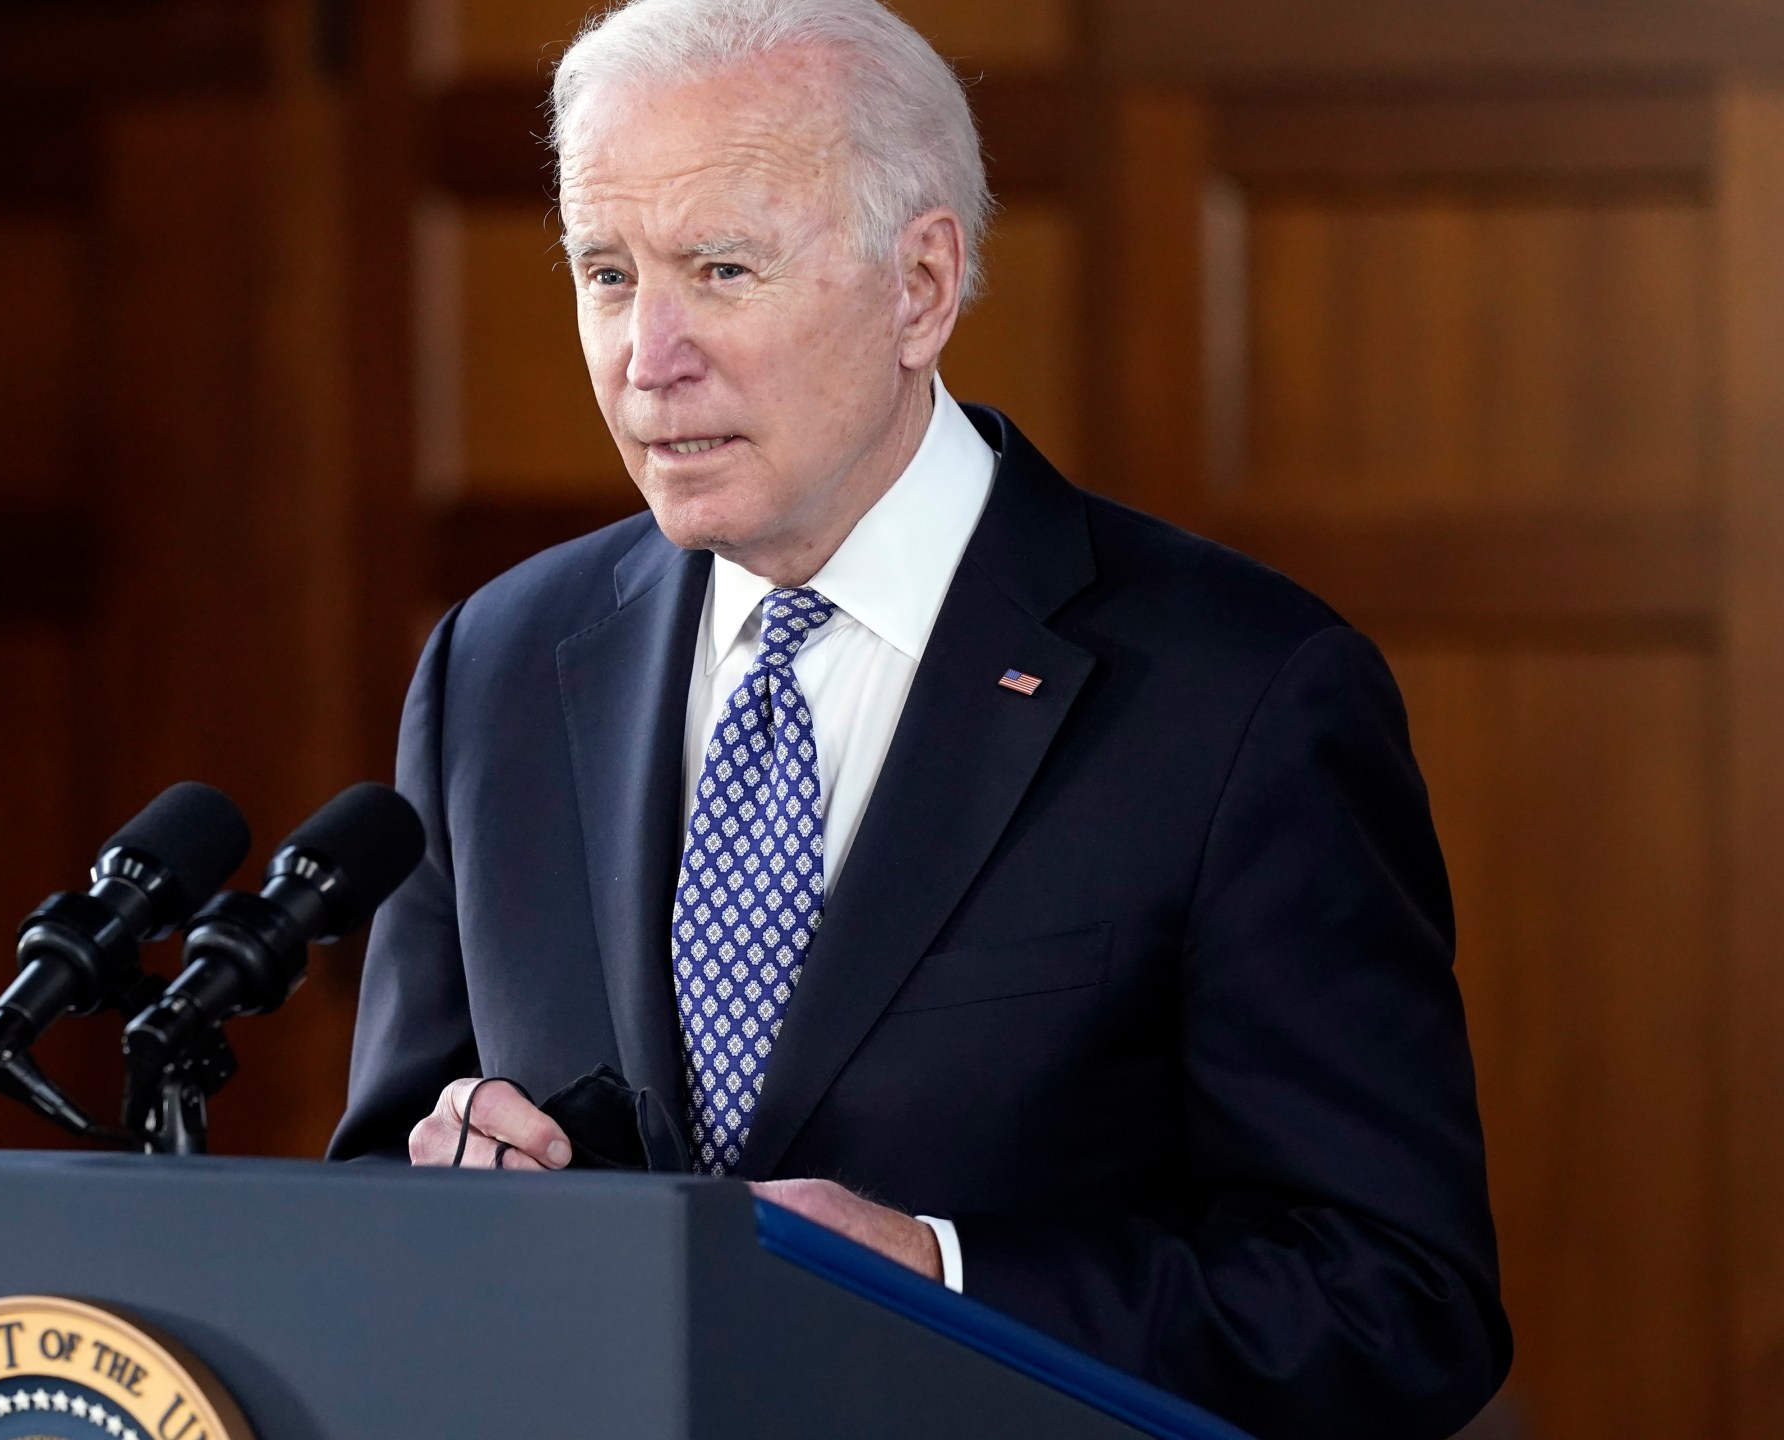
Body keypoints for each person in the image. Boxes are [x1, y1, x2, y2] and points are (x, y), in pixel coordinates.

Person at [326, 0, 1509, 1434]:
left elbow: (1397, 1302)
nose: (650, 354)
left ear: (922, 287)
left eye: (723, 268)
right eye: (607, 272)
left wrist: (942, 1273)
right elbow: (389, 1194)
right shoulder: (499, 665)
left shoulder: (1242, 694)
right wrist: (466, 1194)